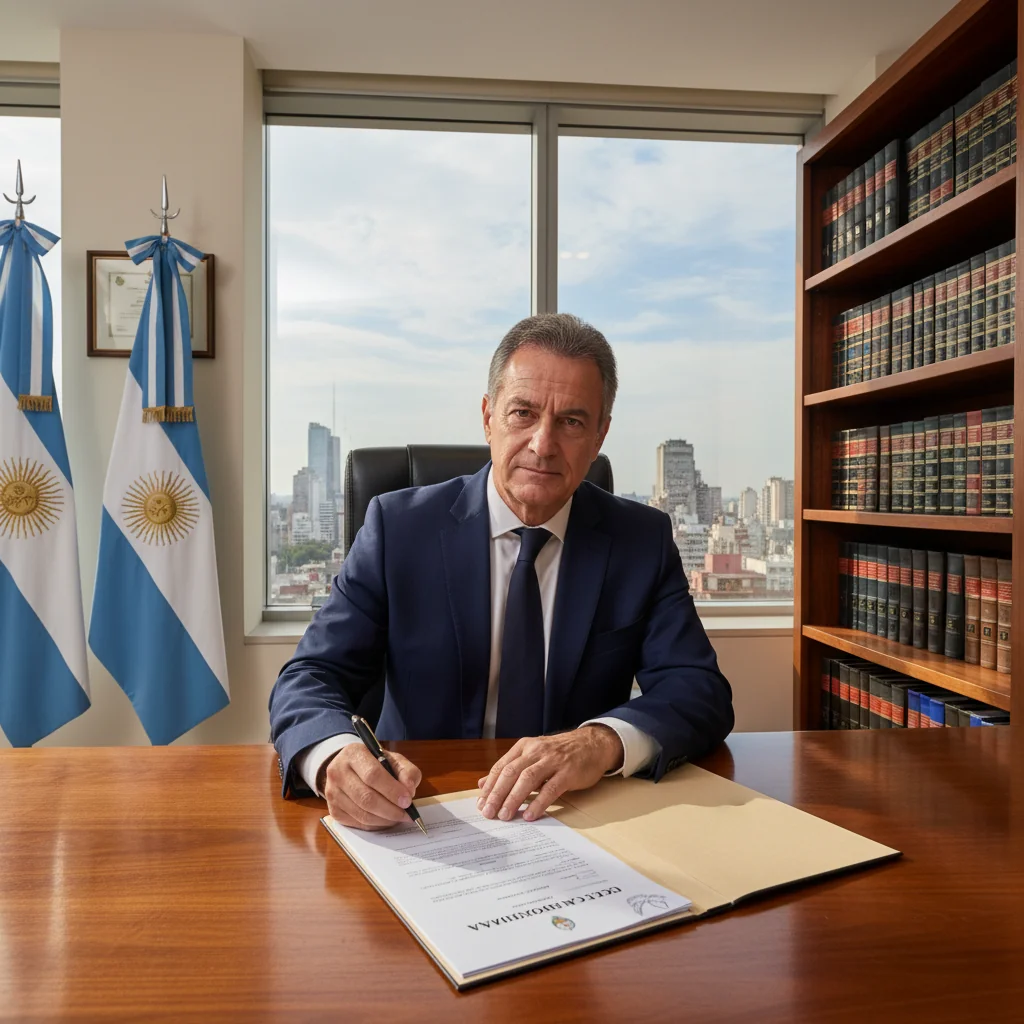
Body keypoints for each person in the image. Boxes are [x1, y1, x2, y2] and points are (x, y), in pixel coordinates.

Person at [270, 313, 733, 830]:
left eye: (573, 421)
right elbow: (310, 677)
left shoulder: (639, 541)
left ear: (601, 434)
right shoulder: (399, 528)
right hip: (422, 810)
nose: (543, 444)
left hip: (579, 816)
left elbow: (699, 690)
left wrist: (600, 742)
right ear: (488, 416)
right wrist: (335, 756)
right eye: (523, 413)